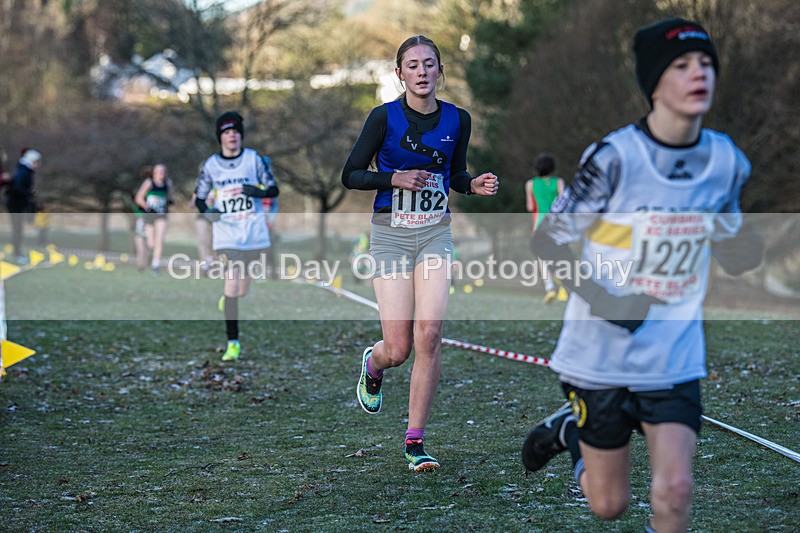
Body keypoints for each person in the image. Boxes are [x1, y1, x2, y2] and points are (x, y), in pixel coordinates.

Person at [522, 18, 763, 533]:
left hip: (673, 354)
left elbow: (733, 242)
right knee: (608, 505)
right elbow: (549, 238)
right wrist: (607, 302)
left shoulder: (726, 160)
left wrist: (743, 247)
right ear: (655, 82)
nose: (699, 74)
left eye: (705, 63)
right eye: (681, 66)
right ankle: (571, 434)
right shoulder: (615, 158)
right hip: (599, 355)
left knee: (674, 492)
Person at [342, 35, 499, 471]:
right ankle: (374, 365)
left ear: (440, 70)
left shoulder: (457, 119)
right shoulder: (383, 118)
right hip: (391, 236)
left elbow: (457, 172)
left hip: (435, 235)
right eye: (413, 65)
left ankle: (415, 442)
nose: (422, 72)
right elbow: (351, 175)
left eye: (429, 64)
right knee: (399, 348)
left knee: (429, 333)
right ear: (400, 74)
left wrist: (473, 185)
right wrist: (394, 179)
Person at [194, 111, 279, 361]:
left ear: (240, 136)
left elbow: (274, 188)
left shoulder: (253, 160)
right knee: (232, 283)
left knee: (241, 289)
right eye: (227, 132)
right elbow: (199, 198)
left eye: (236, 132)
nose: (232, 136)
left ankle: (229, 299)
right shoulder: (211, 165)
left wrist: (256, 190)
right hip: (227, 235)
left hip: (253, 234)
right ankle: (233, 343)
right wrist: (208, 212)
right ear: (220, 137)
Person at [524, 152, 566, 303]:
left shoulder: (530, 184)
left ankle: (549, 287)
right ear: (552, 168)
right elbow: (564, 203)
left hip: (539, 223)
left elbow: (530, 207)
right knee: (561, 254)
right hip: (557, 224)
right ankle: (563, 287)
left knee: (542, 258)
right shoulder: (559, 182)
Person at [135, 163, 173, 275]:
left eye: (163, 171)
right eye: (159, 171)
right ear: (154, 173)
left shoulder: (168, 183)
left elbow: (170, 197)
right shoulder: (149, 183)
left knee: (159, 240)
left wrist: (168, 202)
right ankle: (145, 258)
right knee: (151, 243)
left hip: (161, 214)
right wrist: (146, 206)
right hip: (150, 214)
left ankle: (155, 266)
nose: (162, 174)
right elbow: (139, 198)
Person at [5, 148, 41, 263]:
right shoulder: (24, 172)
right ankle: (17, 254)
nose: (39, 165)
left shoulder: (25, 171)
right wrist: (29, 194)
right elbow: (18, 188)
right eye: (37, 162)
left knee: (18, 229)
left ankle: (18, 253)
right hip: (15, 204)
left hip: (17, 204)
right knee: (18, 229)